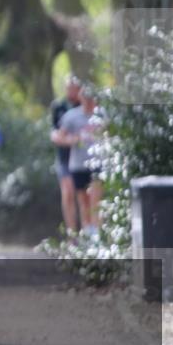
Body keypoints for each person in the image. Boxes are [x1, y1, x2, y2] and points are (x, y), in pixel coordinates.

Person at [52, 86, 103, 241]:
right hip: (78, 164)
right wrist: (74, 140)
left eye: (91, 98)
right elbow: (59, 137)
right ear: (81, 99)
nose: (88, 102)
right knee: (84, 202)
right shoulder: (71, 117)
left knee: (95, 197)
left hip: (98, 163)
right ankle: (87, 232)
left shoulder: (102, 114)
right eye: (85, 98)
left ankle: (97, 236)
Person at [50, 76, 82, 236]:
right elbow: (55, 133)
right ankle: (72, 234)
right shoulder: (58, 106)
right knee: (68, 193)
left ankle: (88, 233)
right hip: (64, 158)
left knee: (83, 195)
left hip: (83, 158)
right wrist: (69, 140)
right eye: (68, 88)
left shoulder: (85, 105)